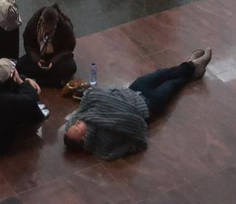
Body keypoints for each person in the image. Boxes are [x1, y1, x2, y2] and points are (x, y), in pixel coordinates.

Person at [61, 48, 213, 158]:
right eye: (76, 128)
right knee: (172, 84)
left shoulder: (84, 115)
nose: (75, 123)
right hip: (148, 105)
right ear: (84, 137)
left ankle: (192, 65)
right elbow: (132, 137)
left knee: (161, 73)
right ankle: (193, 67)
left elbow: (94, 96)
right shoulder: (103, 141)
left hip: (134, 91)